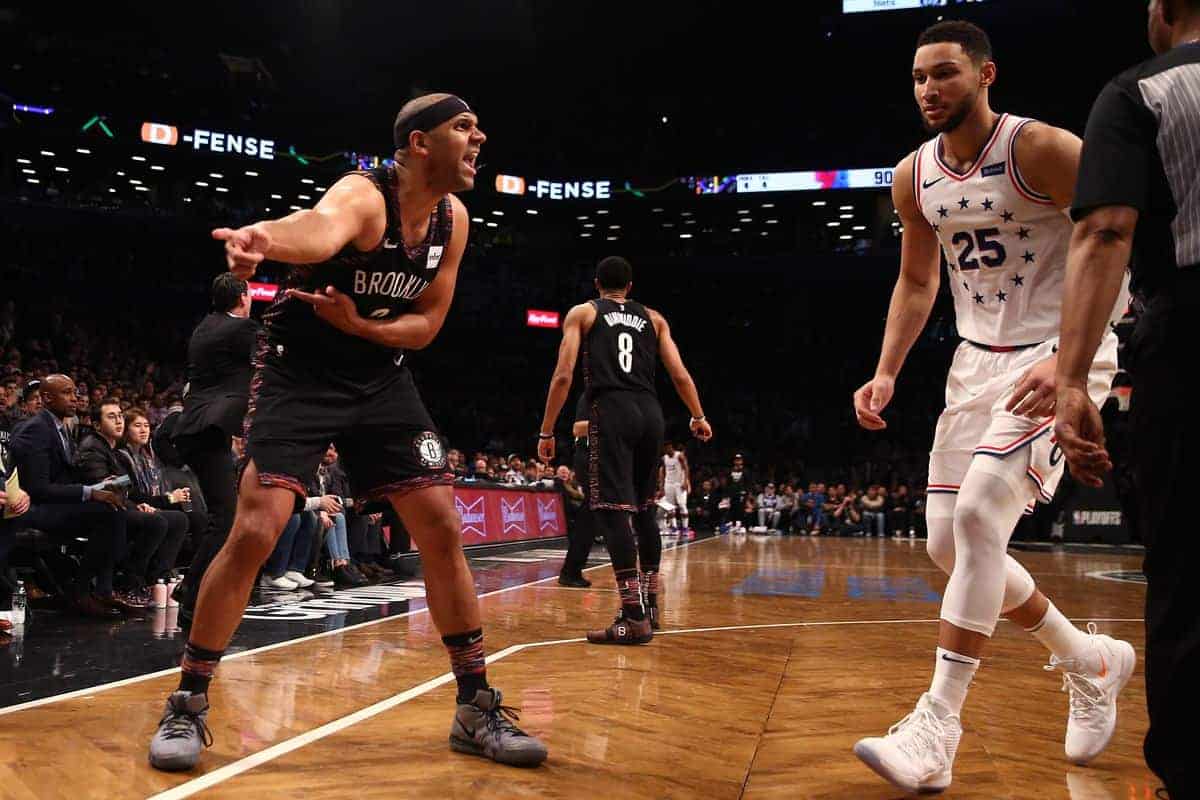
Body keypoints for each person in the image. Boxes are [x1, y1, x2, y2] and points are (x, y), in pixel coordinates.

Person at [148, 93, 546, 771]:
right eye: (463, 127)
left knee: (442, 528)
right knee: (255, 528)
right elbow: (319, 228)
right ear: (419, 143)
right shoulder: (366, 195)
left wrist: (360, 327)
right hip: (301, 373)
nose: (479, 137)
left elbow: (426, 326)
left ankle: (475, 707)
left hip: (381, 375)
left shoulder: (455, 218)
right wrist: (263, 239)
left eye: (479, 126)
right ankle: (187, 702)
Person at [850, 21, 1134, 794]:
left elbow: (1117, 242)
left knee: (979, 520)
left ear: (985, 76)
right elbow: (917, 283)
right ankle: (1090, 659)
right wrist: (886, 372)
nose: (928, 90)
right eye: (917, 78)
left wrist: (1069, 360)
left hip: (1060, 349)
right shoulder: (913, 176)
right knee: (951, 546)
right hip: (975, 362)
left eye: (944, 74)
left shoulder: (1040, 149)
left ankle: (938, 727)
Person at [1054, 3, 1200, 795]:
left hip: (1187, 336)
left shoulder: (1139, 91)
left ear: (1163, 10)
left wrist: (1075, 378)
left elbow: (1106, 230)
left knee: (1185, 568)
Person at [537, 255, 712, 643]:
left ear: (596, 284)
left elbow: (564, 374)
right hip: (650, 412)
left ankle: (632, 616)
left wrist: (547, 431)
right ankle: (650, 607)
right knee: (646, 509)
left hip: (610, 410)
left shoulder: (583, 313)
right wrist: (697, 416)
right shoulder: (655, 318)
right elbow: (680, 374)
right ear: (630, 287)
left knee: (613, 511)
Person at [170, 273, 258, 625]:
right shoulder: (242, 330)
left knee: (224, 516)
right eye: (249, 293)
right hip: (206, 430)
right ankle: (191, 596)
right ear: (241, 298)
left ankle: (190, 588)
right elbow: (270, 359)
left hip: (198, 428)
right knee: (225, 518)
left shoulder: (205, 326)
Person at [7, 375, 130, 617]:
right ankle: (81, 592)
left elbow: (62, 479)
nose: (75, 398)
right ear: (46, 397)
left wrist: (98, 486)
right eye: (67, 392)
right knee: (106, 514)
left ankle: (103, 591)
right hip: (32, 509)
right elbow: (38, 489)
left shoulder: (61, 427)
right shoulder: (36, 430)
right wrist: (90, 493)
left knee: (115, 509)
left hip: (55, 503)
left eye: (75, 392)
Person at [557, 394, 593, 588]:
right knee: (592, 512)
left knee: (595, 513)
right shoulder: (589, 396)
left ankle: (571, 570)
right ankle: (570, 571)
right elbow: (578, 428)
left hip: (604, 457)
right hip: (588, 457)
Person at [658, 441, 691, 533]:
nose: (666, 450)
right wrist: (662, 486)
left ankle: (685, 528)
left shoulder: (679, 455)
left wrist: (685, 481)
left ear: (671, 447)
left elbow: (686, 468)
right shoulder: (664, 458)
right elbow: (663, 472)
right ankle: (674, 527)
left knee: (682, 505)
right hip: (669, 484)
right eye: (664, 448)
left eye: (668, 447)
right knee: (670, 507)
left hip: (679, 483)